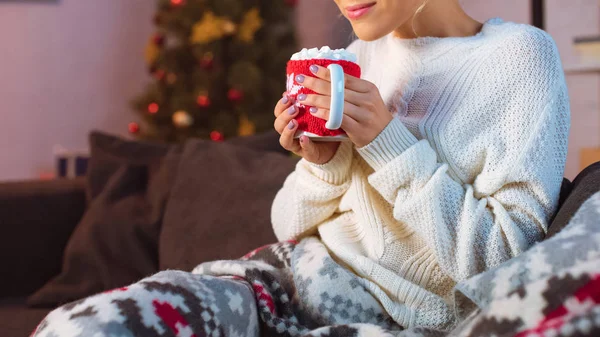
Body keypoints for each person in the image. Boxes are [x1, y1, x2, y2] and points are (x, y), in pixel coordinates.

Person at [32, 0, 569, 336]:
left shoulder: (520, 58)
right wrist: (322, 164)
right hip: (282, 279)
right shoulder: (358, 56)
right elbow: (288, 224)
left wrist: (389, 145)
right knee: (81, 326)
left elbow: (504, 260)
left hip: (390, 316)